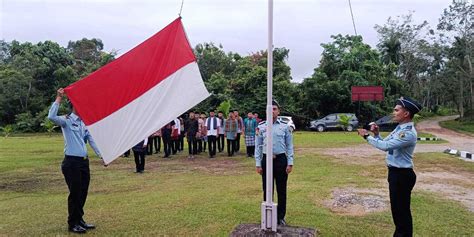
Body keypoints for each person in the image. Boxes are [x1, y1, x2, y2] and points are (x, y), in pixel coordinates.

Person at [357, 97, 422, 237]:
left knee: (401, 213)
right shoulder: (399, 128)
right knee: (398, 212)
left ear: (406, 114)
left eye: (397, 110)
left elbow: (385, 147)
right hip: (395, 174)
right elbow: (385, 143)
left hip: (402, 175)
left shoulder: (408, 133)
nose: (394, 112)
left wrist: (366, 136)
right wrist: (376, 134)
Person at [48, 88, 104, 234]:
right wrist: (58, 98)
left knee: (83, 192)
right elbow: (51, 117)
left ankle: (80, 219)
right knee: (75, 192)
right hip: (71, 163)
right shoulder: (66, 120)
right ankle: (72, 223)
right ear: (74, 105)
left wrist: (102, 156)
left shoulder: (83, 123)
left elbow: (91, 140)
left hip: (83, 162)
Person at [255, 100, 294, 226]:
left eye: (275, 109)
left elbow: (289, 146)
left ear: (278, 111)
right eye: (269, 109)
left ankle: (280, 217)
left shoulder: (285, 126)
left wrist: (290, 162)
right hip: (266, 160)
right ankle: (268, 216)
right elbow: (258, 147)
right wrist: (258, 163)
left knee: (281, 190)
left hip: (281, 160)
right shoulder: (261, 127)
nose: (272, 111)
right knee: (267, 189)